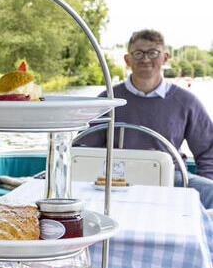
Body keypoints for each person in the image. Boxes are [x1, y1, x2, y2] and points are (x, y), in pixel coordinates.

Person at [77, 29, 213, 208]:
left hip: (170, 178)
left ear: (164, 58)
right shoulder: (108, 100)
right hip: (117, 178)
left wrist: (204, 185)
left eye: (153, 53)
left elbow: (207, 151)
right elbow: (82, 148)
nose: (145, 59)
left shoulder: (187, 102)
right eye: (138, 53)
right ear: (128, 59)